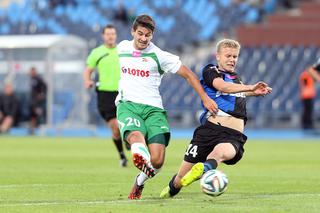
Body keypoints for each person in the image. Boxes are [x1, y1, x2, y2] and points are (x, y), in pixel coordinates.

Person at [115, 14, 218, 200]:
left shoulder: (159, 56)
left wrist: (204, 98)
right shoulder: (122, 48)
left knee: (157, 161)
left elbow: (188, 74)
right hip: (128, 105)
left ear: (152, 35)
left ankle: (139, 181)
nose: (143, 38)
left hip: (154, 109)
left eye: (148, 35)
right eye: (140, 34)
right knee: (136, 136)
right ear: (133, 31)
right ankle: (137, 149)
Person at [160, 39, 272, 198]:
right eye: (228, 56)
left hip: (233, 136)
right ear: (218, 56)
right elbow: (222, 87)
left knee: (219, 154)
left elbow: (235, 91)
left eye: (235, 56)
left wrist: (255, 92)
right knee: (181, 178)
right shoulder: (210, 70)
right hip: (209, 131)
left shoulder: (236, 79)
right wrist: (250, 87)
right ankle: (171, 189)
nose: (232, 59)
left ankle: (204, 169)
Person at [83, 24, 128, 167]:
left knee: (124, 124)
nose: (110, 36)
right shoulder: (97, 52)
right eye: (108, 34)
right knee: (115, 127)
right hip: (105, 94)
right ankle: (122, 156)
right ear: (103, 36)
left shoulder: (123, 51)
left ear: (116, 35)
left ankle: (128, 139)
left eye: (113, 34)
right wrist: (88, 80)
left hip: (123, 92)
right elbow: (88, 70)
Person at [299, 58, 320, 129]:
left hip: (308, 95)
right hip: (307, 95)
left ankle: (307, 123)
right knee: (307, 110)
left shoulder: (305, 74)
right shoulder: (306, 75)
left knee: (308, 110)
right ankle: (306, 124)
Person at [29, 67, 47, 134]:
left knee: (39, 114)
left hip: (38, 102)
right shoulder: (31, 79)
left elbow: (45, 86)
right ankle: (32, 129)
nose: (31, 73)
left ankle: (42, 129)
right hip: (33, 101)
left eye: (33, 71)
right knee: (33, 115)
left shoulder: (39, 78)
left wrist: (42, 94)